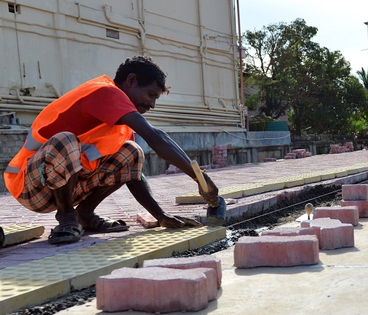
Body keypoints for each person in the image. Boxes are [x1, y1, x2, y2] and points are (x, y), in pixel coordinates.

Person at [4, 56, 220, 245]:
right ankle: (67, 218)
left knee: (132, 151)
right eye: (151, 94)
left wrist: (160, 215)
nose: (153, 104)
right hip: (29, 185)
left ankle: (84, 215)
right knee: (65, 140)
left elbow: (134, 176)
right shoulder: (105, 92)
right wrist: (201, 178)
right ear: (131, 80)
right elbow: (157, 137)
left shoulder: (122, 126)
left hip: (65, 186)